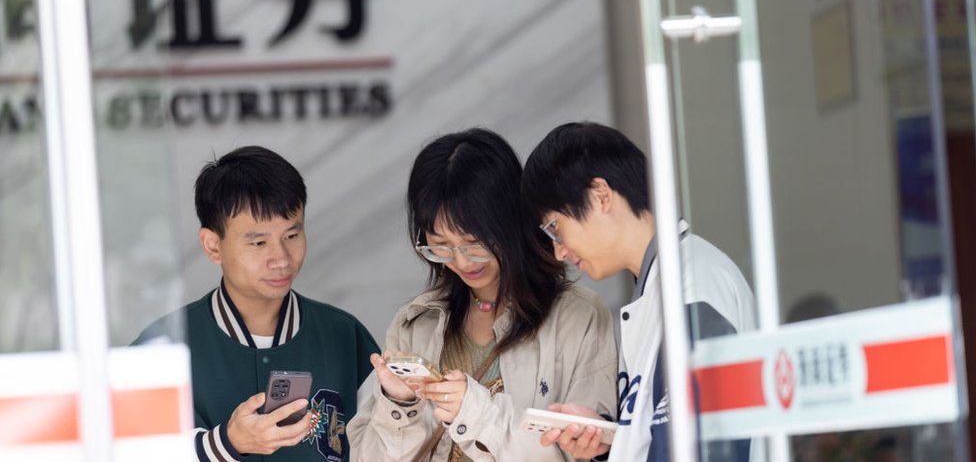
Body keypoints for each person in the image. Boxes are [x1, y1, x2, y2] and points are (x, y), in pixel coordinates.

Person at [347, 128, 618, 461]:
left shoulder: (579, 318)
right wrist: (399, 405)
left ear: (510, 221)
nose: (460, 261)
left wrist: (473, 411)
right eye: (441, 246)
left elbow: (586, 453)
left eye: (474, 242)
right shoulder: (415, 324)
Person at [520, 122, 758, 462]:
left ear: (600, 195)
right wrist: (613, 441)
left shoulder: (695, 288)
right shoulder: (658, 287)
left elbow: (708, 449)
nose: (559, 252)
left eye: (555, 229)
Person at [133, 146, 379, 462]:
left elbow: (387, 445)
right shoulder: (162, 348)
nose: (282, 258)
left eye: (292, 234)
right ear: (212, 246)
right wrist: (224, 443)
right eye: (259, 242)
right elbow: (119, 447)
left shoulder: (344, 335)